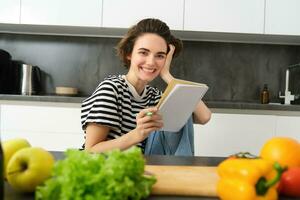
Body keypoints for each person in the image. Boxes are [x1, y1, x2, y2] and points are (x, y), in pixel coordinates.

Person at [81, 18, 211, 154]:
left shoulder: (154, 96)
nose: (151, 62)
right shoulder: (111, 89)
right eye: (143, 52)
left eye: (160, 56)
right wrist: (138, 134)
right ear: (129, 53)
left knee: (182, 113)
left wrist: (167, 75)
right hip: (107, 168)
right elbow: (90, 151)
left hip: (142, 166)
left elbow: (204, 116)